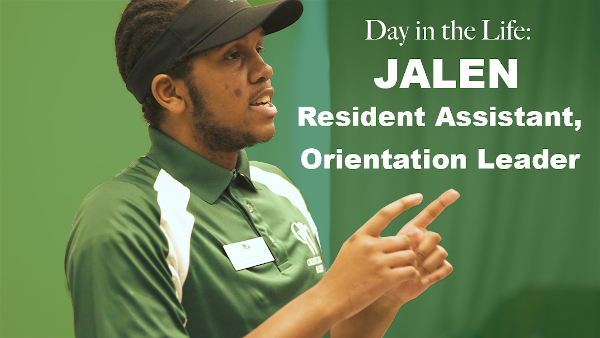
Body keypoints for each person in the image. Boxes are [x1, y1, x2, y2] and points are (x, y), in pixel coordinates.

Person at [64, 0, 459, 336]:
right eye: (233, 55)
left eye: (259, 49)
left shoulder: (279, 186)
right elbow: (320, 307)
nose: (263, 69)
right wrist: (330, 297)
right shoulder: (119, 220)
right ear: (170, 93)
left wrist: (380, 299)